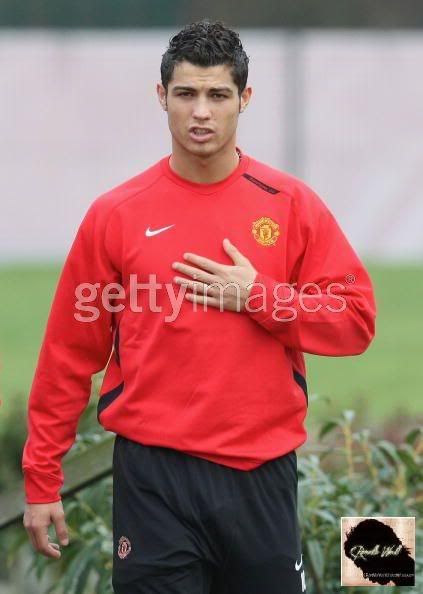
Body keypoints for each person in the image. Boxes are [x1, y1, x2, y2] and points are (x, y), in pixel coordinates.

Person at [22, 19, 377, 594]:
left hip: (260, 473)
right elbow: (67, 353)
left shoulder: (290, 205)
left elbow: (356, 320)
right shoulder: (116, 214)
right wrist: (41, 481)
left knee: (378, 569)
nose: (201, 112)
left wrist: (259, 295)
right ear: (162, 97)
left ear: (245, 99)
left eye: (217, 95)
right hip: (154, 478)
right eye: (186, 94)